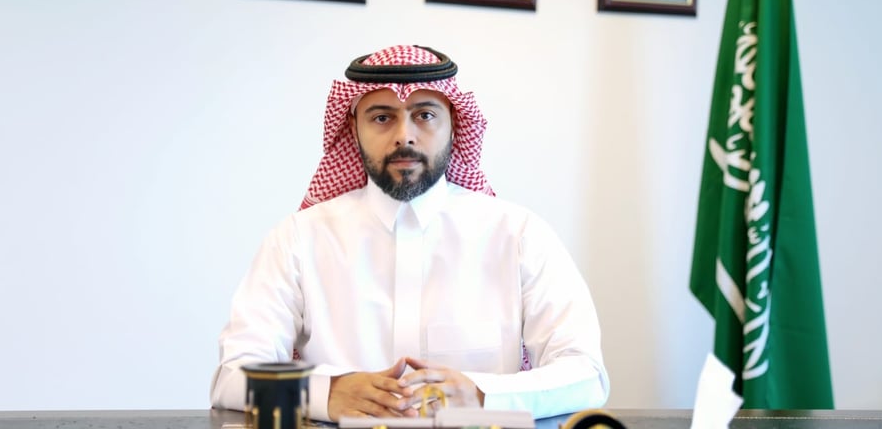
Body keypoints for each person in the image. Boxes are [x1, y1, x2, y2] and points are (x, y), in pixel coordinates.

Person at [210, 45, 609, 422]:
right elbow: (232, 376)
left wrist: (481, 394)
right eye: (382, 117)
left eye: (425, 115)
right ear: (354, 129)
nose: (404, 135)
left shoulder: (518, 236)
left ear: (454, 124)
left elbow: (586, 374)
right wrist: (326, 393)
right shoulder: (298, 239)